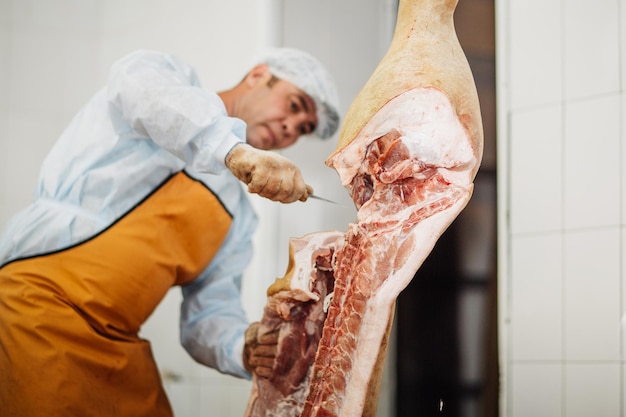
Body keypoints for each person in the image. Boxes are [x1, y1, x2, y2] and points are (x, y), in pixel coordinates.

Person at [0, 48, 340, 416]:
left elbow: (208, 314)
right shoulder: (164, 85)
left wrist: (241, 345)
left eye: (304, 128)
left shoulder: (237, 217)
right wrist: (234, 151)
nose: (292, 127)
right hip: (35, 307)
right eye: (294, 105)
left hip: (119, 344)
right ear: (258, 75)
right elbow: (148, 95)